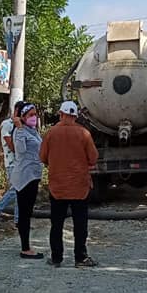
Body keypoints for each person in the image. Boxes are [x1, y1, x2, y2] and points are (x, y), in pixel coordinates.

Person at [39, 100, 99, 269]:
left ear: (60, 114)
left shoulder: (51, 133)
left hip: (57, 187)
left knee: (56, 225)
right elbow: (93, 158)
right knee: (80, 224)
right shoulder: (84, 133)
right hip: (80, 187)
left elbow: (42, 157)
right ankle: (80, 258)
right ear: (75, 116)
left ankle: (56, 258)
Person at [10, 103, 44, 259]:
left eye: (35, 114)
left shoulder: (33, 131)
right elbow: (21, 150)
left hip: (33, 176)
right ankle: (25, 249)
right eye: (30, 115)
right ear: (22, 117)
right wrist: (19, 127)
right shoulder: (20, 131)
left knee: (27, 213)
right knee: (24, 214)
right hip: (25, 177)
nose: (34, 117)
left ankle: (27, 245)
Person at [0, 100, 24, 225]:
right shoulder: (7, 124)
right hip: (12, 163)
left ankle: (18, 220)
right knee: (16, 190)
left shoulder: (23, 126)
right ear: (17, 111)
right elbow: (12, 147)